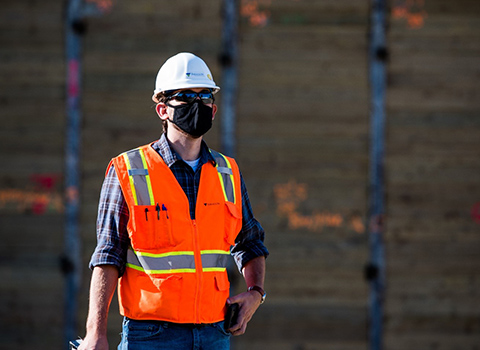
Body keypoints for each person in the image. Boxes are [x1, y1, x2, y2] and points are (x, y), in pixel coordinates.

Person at [79, 52, 269, 350]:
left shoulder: (227, 172)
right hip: (151, 336)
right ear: (162, 110)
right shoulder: (128, 170)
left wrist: (255, 292)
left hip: (214, 333)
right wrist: (96, 334)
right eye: (184, 96)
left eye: (204, 96)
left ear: (214, 110)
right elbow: (108, 256)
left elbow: (250, 242)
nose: (197, 104)